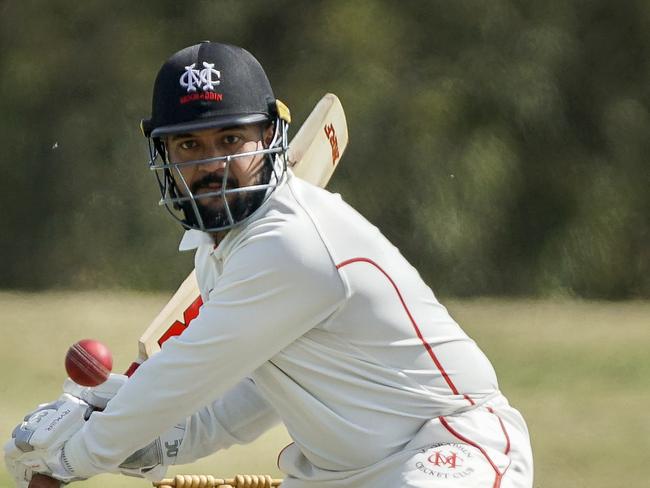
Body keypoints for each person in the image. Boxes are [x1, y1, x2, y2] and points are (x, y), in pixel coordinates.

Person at [4, 41, 533, 487]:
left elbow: (184, 375)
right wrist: (160, 439)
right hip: (336, 473)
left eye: (231, 140)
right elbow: (257, 391)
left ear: (269, 138)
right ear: (164, 156)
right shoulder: (219, 249)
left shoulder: (290, 243)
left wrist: (75, 456)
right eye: (190, 144)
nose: (213, 164)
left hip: (446, 449)